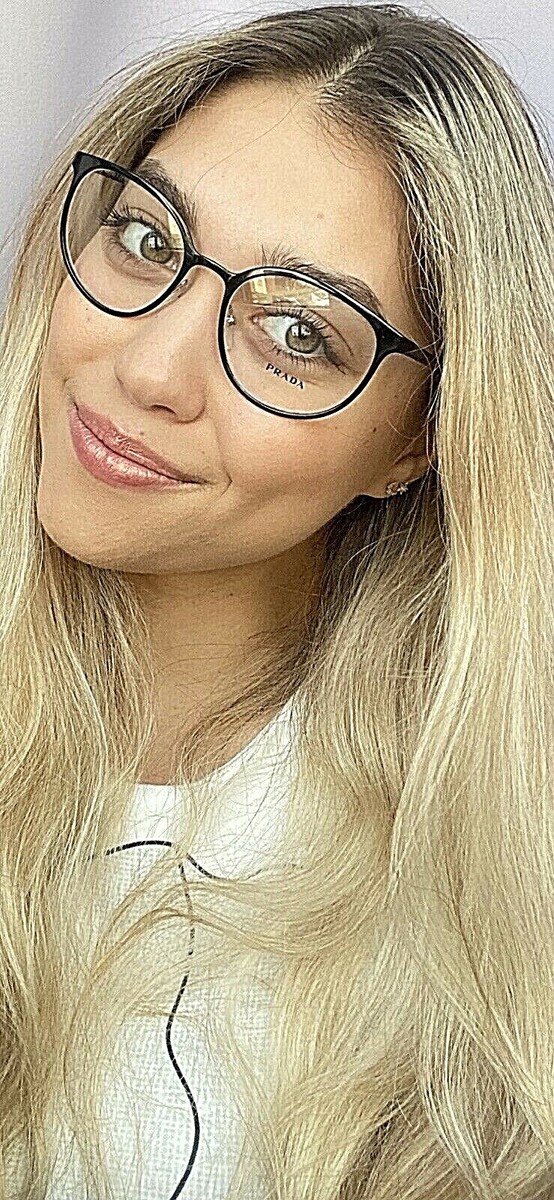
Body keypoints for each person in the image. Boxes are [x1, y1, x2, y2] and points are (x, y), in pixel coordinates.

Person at [0, 3, 552, 1197]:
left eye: (297, 332)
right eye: (146, 239)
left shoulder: (477, 917)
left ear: (416, 440)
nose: (150, 369)